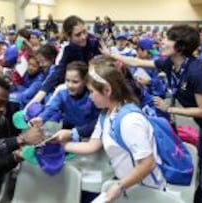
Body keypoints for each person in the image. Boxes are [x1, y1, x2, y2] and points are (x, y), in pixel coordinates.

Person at [101, 24, 202, 203]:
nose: (162, 42)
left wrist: (170, 109)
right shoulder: (170, 63)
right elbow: (137, 62)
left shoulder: (197, 72)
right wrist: (111, 55)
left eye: (168, 39)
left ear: (179, 46)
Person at [60, 57, 163, 203]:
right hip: (130, 187)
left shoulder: (130, 120)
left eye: (92, 91)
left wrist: (119, 187)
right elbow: (92, 145)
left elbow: (147, 163)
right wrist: (60, 145)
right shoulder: (106, 114)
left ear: (107, 90)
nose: (90, 97)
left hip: (147, 192)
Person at [27, 15, 100, 107]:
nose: (83, 37)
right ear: (69, 37)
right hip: (81, 85)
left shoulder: (94, 41)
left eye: (84, 32)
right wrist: (39, 96)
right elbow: (57, 72)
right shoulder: (69, 50)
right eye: (78, 35)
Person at [30, 61, 99, 138]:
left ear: (85, 81)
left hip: (86, 132)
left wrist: (78, 132)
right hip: (68, 126)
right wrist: (41, 118)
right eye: (67, 80)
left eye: (75, 82)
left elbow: (96, 122)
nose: (70, 85)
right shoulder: (62, 93)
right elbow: (52, 108)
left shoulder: (92, 97)